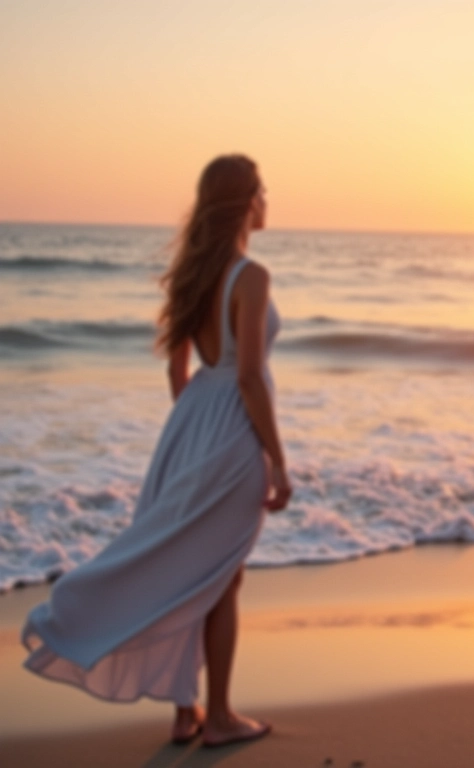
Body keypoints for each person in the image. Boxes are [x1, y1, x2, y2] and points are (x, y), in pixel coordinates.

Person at [22, 154, 291, 747]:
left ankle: (184, 711)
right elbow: (249, 377)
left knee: (186, 566)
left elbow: (177, 369)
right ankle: (219, 717)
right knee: (221, 576)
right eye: (262, 190)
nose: (267, 200)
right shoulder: (251, 276)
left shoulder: (193, 273)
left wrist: (194, 433)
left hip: (188, 429)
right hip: (233, 433)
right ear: (246, 200)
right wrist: (278, 460)